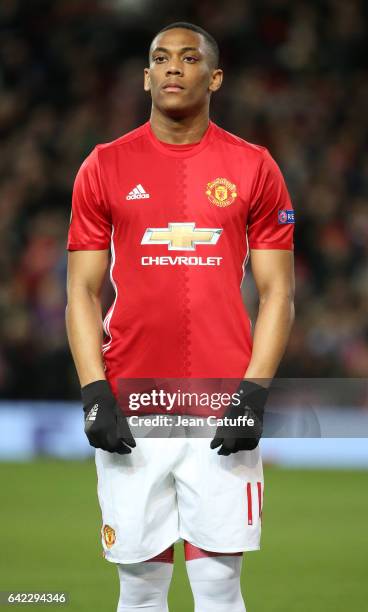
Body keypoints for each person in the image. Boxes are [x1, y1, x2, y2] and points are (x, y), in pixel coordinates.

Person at [66, 21, 295, 612]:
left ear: (214, 77)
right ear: (145, 77)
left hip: (223, 401)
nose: (173, 67)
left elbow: (278, 295)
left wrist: (255, 394)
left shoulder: (255, 168)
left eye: (189, 58)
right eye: (160, 58)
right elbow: (82, 293)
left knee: (219, 587)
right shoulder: (102, 167)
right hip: (132, 399)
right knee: (139, 589)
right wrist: (94, 390)